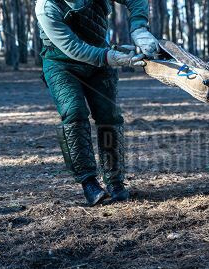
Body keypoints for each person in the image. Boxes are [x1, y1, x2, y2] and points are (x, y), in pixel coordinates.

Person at [35, 0, 159, 206]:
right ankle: (88, 182)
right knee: (73, 112)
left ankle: (115, 181)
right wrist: (110, 57)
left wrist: (139, 28)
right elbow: (72, 47)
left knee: (108, 116)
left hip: (100, 61)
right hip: (61, 64)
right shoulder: (47, 7)